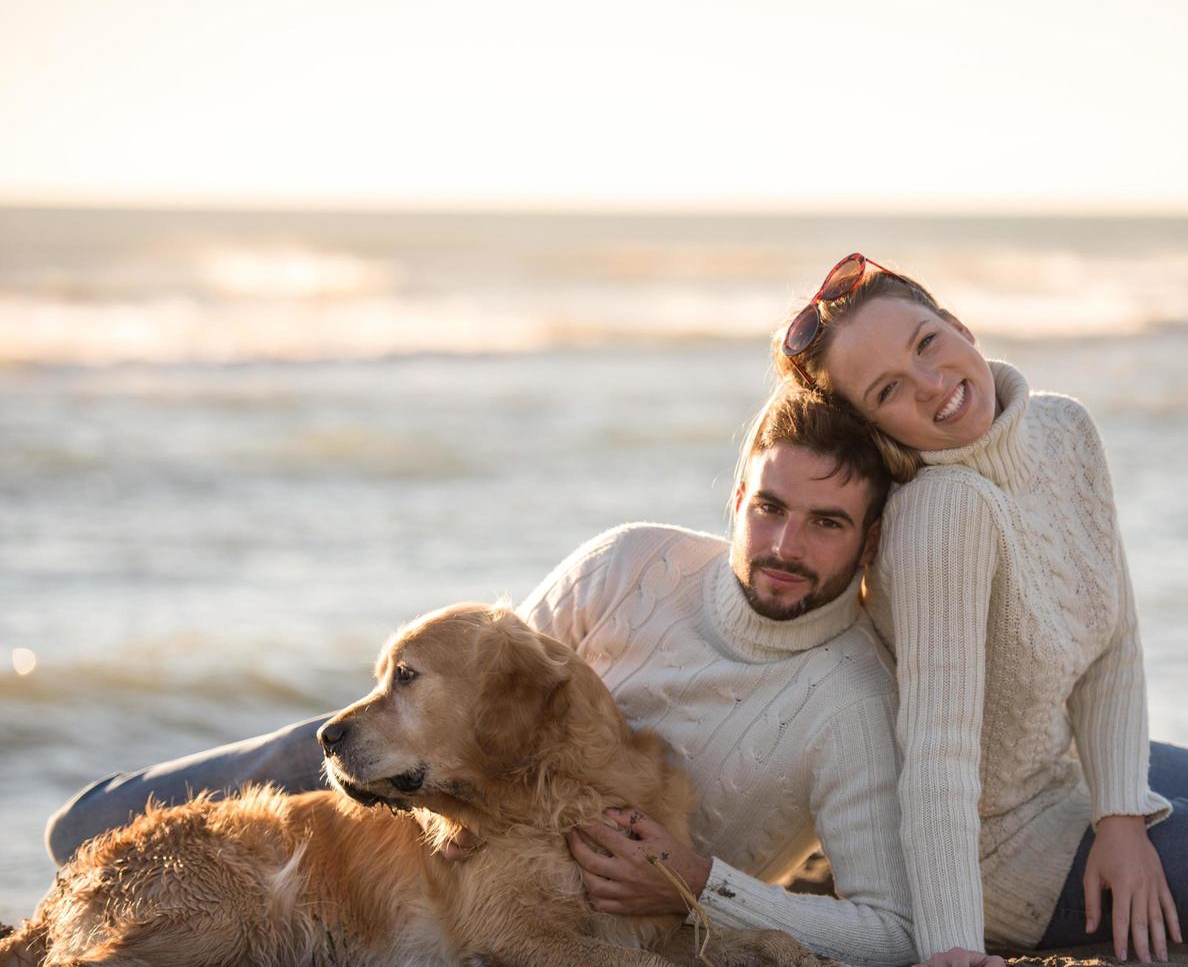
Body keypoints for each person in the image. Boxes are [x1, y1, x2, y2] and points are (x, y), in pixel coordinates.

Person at [44, 386, 923, 967]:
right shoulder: (628, 562)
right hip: (398, 789)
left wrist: (705, 885)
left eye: (825, 523)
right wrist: (453, 807)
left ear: (867, 541)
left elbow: (889, 933)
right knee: (91, 831)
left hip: (432, 786)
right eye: (768, 507)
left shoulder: (848, 703)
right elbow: (483, 678)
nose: (782, 545)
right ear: (736, 499)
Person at [772, 254, 1188, 966]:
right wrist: (951, 946)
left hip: (1061, 773)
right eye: (890, 389)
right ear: (874, 428)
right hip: (1001, 849)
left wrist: (1121, 820)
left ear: (956, 324)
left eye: (927, 342)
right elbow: (938, 753)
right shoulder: (944, 513)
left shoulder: (1062, 429)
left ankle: (1175, 894)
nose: (933, 386)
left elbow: (1113, 641)